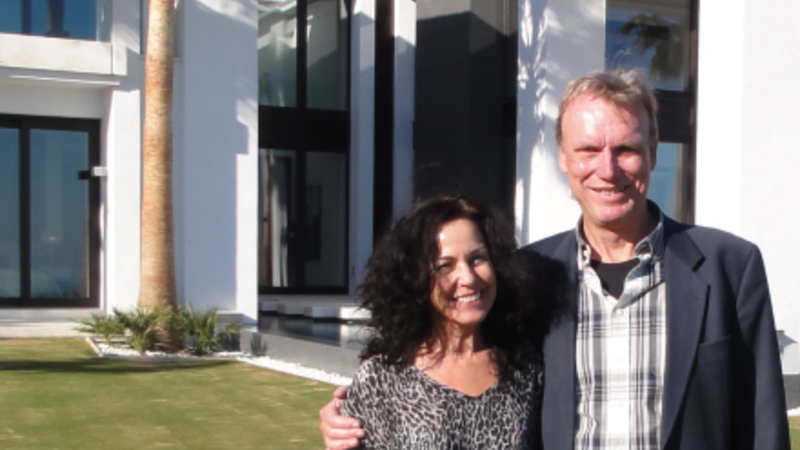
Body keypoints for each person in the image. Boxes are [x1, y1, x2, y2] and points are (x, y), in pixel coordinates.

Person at [320, 70, 790, 450]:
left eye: (626, 149)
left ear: (652, 152)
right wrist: (351, 413)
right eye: (588, 150)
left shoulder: (730, 266)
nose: (607, 169)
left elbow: (764, 424)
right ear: (563, 158)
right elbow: (458, 368)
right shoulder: (530, 275)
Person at [338, 194, 543, 449]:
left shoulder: (526, 368)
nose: (468, 278)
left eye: (478, 258)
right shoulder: (381, 378)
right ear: (416, 278)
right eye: (445, 266)